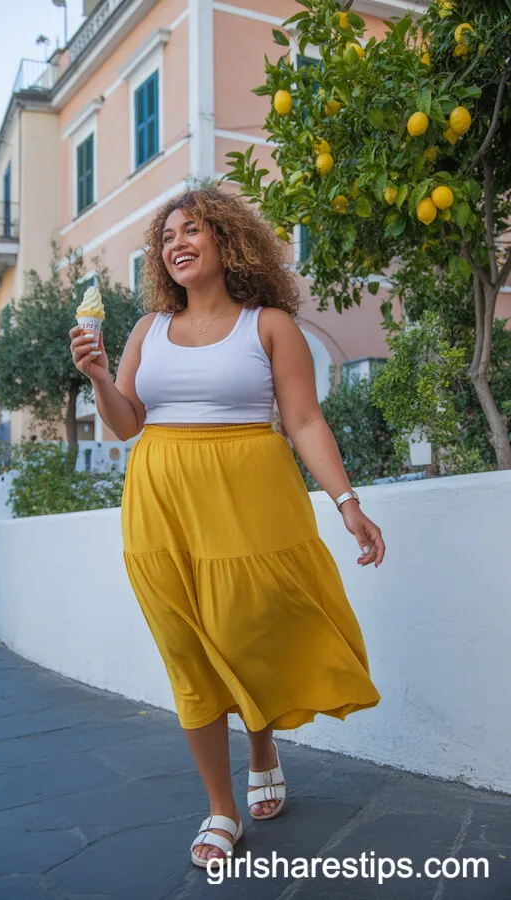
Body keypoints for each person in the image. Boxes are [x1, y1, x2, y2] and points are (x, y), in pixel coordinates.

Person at [69, 186, 386, 869]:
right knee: (187, 653)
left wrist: (346, 501)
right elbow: (127, 423)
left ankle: (263, 744)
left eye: (192, 230)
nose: (176, 243)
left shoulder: (268, 325)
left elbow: (304, 421)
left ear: (226, 241)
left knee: (250, 630)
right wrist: (98, 374)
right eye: (166, 237)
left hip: (249, 498)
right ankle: (221, 808)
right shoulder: (147, 330)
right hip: (160, 502)